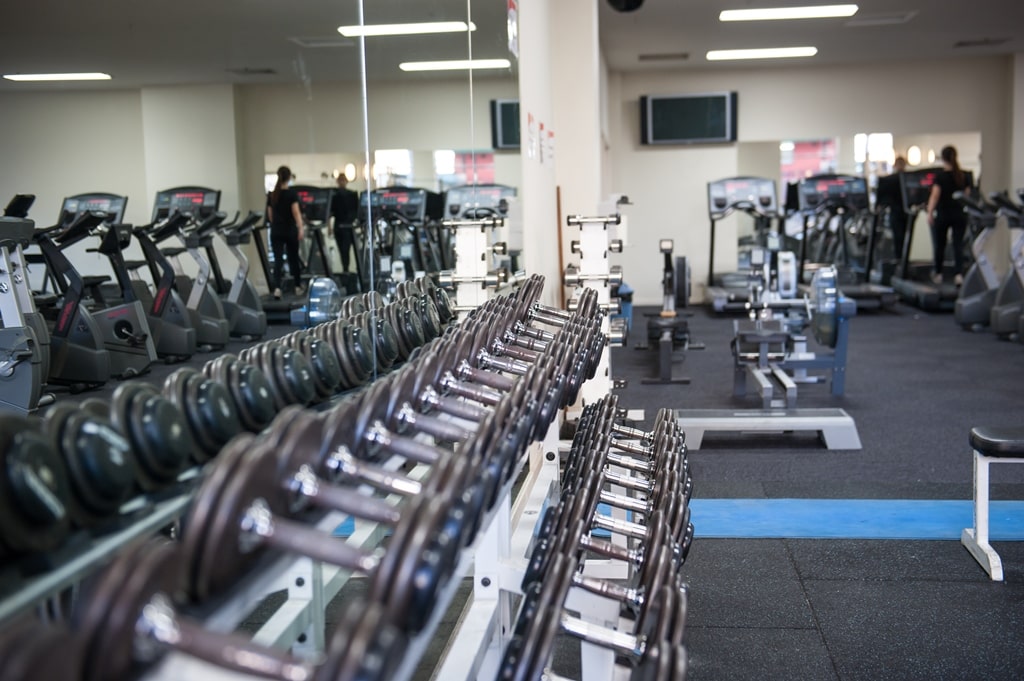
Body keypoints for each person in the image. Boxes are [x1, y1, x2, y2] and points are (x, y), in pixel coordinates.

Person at [926, 145, 970, 286]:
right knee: (958, 245)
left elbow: (934, 196)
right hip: (959, 215)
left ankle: (938, 273)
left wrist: (930, 213)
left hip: (944, 214)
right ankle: (958, 274)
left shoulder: (941, 177)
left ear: (943, 158)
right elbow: (967, 196)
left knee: (940, 245)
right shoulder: (963, 176)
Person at [266, 165, 305, 299]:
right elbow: (296, 213)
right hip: (289, 231)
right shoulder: (291, 194)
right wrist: (301, 228)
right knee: (293, 258)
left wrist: (276, 224)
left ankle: (277, 288)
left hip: (276, 231)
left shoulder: (272, 194)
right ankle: (297, 286)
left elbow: (270, 215)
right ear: (289, 177)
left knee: (278, 261)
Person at [876, 156, 909, 260]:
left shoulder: (889, 180)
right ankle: (901, 260)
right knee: (903, 238)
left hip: (896, 212)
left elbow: (881, 197)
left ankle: (899, 260)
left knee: (898, 238)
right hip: (904, 213)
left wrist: (879, 206)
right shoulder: (907, 179)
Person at [330, 173, 359, 274]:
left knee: (346, 249)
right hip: (339, 225)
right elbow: (330, 212)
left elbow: (357, 212)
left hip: (348, 225)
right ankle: (345, 269)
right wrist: (329, 227)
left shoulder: (352, 195)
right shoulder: (334, 195)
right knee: (342, 249)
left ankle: (346, 269)